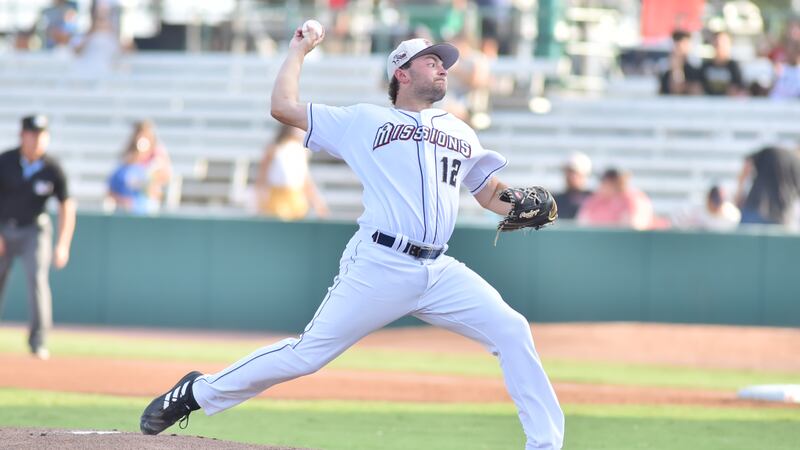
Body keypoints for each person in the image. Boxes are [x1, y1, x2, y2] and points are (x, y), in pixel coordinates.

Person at [140, 30, 564, 450]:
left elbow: (488, 192)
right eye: (432, 61)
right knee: (306, 355)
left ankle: (544, 445)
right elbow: (282, 107)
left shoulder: (460, 131)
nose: (442, 69)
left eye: (443, 63)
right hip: (380, 263)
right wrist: (298, 50)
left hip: (439, 270)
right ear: (401, 72)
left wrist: (519, 202)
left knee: (512, 329)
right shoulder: (364, 120)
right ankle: (196, 393)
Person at [0, 115, 76, 360]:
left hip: (35, 230)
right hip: (3, 229)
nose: (37, 139)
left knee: (37, 280)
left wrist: (63, 244)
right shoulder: (6, 161)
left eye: (41, 134)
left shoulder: (52, 168)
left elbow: (67, 205)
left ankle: (38, 341)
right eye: (32, 134)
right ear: (22, 135)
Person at [255, 124, 329, 220]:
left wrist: (317, 203)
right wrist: (259, 200)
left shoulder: (301, 151)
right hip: (277, 200)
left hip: (296, 201)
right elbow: (262, 177)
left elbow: (305, 180)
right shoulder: (274, 149)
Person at [110, 121, 171, 213]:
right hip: (126, 210)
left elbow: (161, 185)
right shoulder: (125, 162)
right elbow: (112, 189)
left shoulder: (157, 159)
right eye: (139, 134)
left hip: (147, 210)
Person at [736, 146, 800, 229]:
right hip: (782, 216)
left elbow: (747, 165)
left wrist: (739, 193)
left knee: (745, 240)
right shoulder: (797, 165)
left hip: (754, 208)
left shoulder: (773, 150)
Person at [576, 168, 654, 230]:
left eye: (611, 181)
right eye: (604, 181)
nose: (605, 185)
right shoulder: (594, 201)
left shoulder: (634, 199)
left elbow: (636, 226)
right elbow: (582, 223)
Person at [671, 185, 741, 231]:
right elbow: (677, 221)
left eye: (719, 202)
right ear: (708, 199)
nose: (716, 206)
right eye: (715, 201)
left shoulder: (731, 215)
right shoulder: (696, 209)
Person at [699, 31, 745, 96]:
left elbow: (739, 89)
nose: (720, 46)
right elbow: (699, 87)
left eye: (723, 43)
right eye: (717, 43)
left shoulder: (734, 66)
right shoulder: (705, 66)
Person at [658, 29, 702, 95]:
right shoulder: (666, 71)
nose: (678, 48)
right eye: (676, 44)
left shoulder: (694, 70)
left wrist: (677, 70)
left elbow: (679, 89)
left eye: (682, 44)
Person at [552, 152, 592, 220]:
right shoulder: (555, 201)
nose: (569, 176)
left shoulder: (593, 199)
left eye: (573, 172)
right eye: (567, 172)